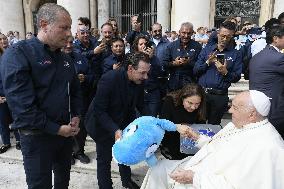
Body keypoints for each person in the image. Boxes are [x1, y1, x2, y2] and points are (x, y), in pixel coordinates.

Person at [0, 3, 82, 188]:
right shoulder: (18, 54)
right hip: (37, 138)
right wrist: (56, 129)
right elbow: (22, 108)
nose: (70, 34)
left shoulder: (65, 58)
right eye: (65, 27)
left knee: (63, 181)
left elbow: (75, 91)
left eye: (70, 27)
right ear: (44, 25)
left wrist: (76, 115)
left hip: (65, 135)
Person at [141, 90, 284, 189]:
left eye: (235, 107)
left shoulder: (267, 147)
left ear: (252, 114)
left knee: (160, 174)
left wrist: (194, 178)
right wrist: (198, 138)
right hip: (200, 168)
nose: (229, 111)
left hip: (205, 181)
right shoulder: (243, 124)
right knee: (157, 168)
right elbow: (219, 147)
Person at [90, 52, 152, 189]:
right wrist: (114, 129)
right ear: (130, 68)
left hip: (124, 120)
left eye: (147, 73)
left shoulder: (139, 80)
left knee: (125, 154)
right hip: (102, 124)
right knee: (104, 159)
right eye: (142, 73)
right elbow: (99, 111)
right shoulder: (109, 79)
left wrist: (152, 122)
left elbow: (141, 105)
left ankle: (126, 181)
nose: (146, 77)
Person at [194, 21, 242, 125]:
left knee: (214, 127)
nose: (224, 39)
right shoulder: (207, 50)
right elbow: (196, 70)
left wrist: (225, 72)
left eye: (228, 37)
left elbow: (237, 77)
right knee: (198, 124)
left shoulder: (235, 54)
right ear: (218, 33)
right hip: (202, 94)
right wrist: (207, 63)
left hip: (220, 96)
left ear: (232, 36)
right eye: (223, 36)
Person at [62, 36, 94, 164]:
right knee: (65, 127)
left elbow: (92, 76)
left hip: (80, 99)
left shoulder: (81, 57)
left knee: (80, 127)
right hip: (62, 101)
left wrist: (85, 78)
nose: (69, 45)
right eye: (66, 42)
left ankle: (79, 151)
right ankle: (66, 153)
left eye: (71, 42)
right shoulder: (54, 58)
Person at [160, 83, 206, 160]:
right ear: (182, 98)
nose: (193, 107)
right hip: (171, 139)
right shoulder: (170, 101)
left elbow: (201, 125)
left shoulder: (202, 105)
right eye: (190, 103)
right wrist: (177, 127)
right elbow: (163, 124)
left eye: (197, 104)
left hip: (190, 142)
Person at [163, 22, 202, 92]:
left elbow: (200, 65)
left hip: (191, 84)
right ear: (179, 32)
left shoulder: (197, 46)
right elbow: (164, 63)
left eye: (189, 33)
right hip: (174, 85)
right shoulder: (171, 46)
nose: (186, 36)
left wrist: (189, 63)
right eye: (183, 33)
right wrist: (174, 63)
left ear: (192, 33)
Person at [0, 41, 21, 153]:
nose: (3, 41)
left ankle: (19, 141)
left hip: (12, 95)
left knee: (15, 119)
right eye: (0, 39)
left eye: (4, 39)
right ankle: (6, 142)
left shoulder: (10, 57)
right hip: (0, 98)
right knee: (2, 121)